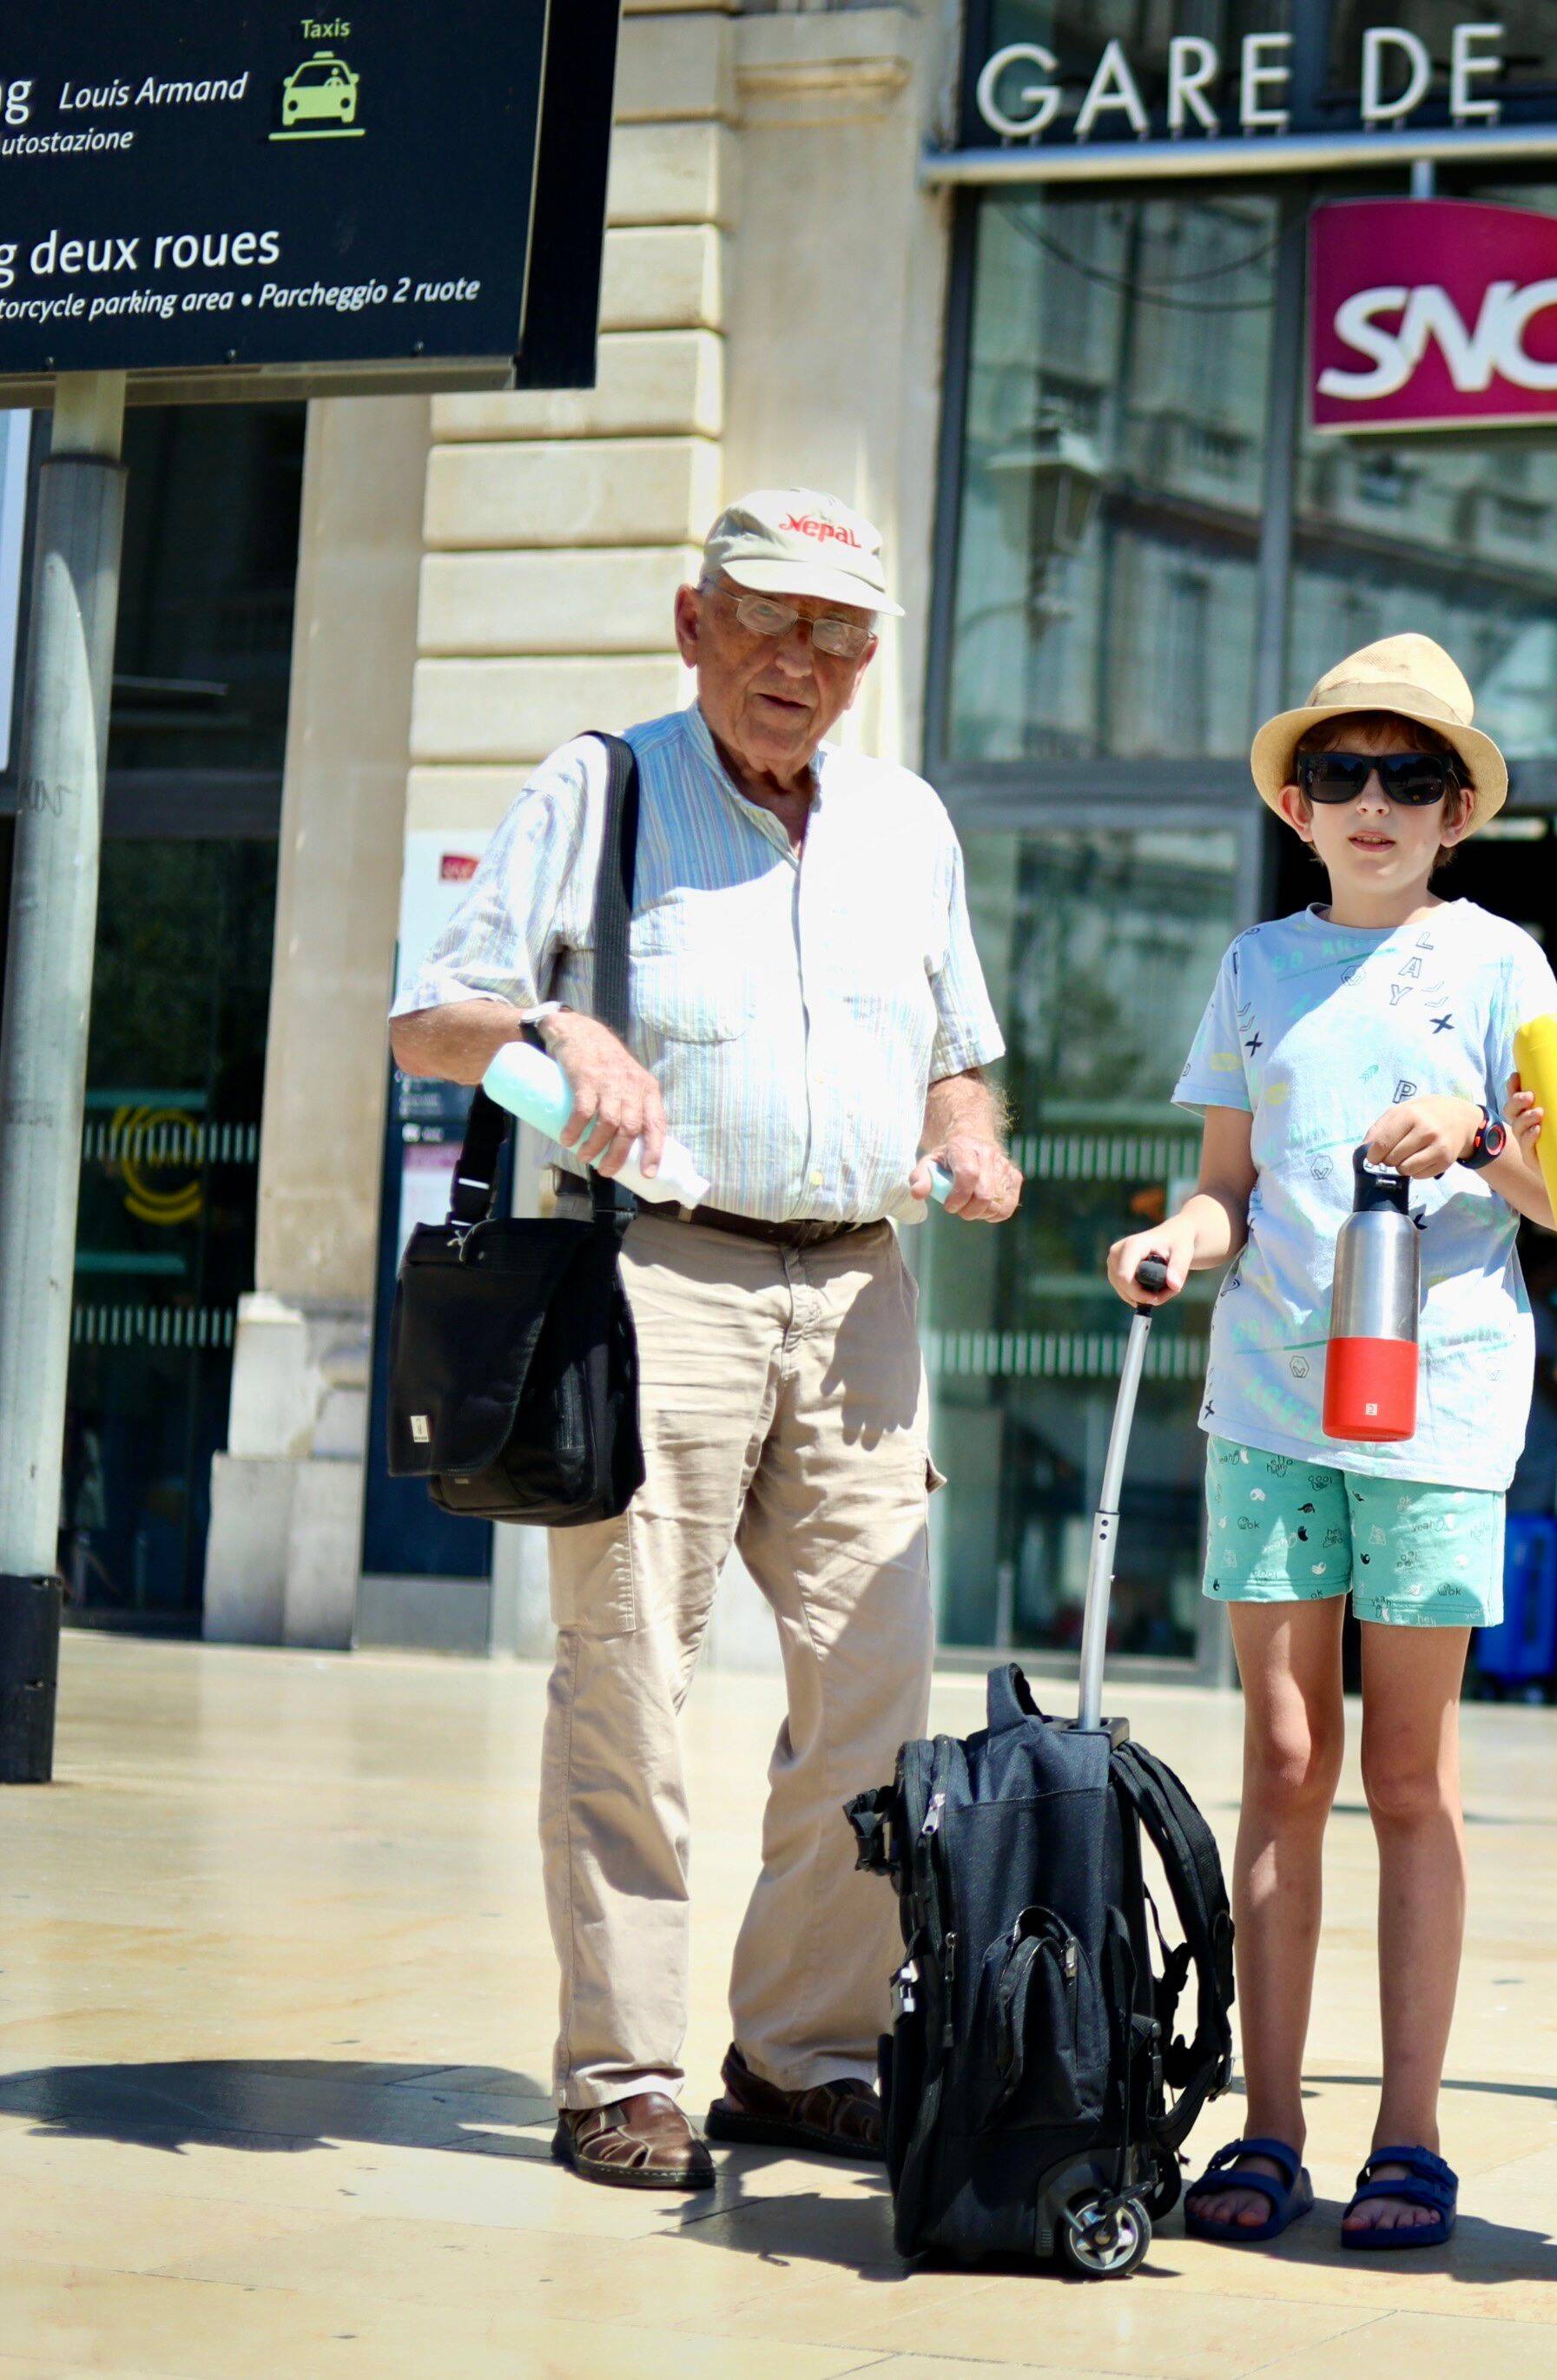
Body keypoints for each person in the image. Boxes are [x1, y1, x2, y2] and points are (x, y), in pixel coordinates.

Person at [388, 490, 1023, 2191]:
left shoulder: (908, 822)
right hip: (650, 1274)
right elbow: (427, 1010)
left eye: (836, 630)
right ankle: (622, 2066)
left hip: (863, 1284)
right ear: (694, 623)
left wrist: (972, 1136)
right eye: (766, 617)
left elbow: (960, 1050)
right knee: (631, 1681)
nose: (798, 658)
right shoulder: (596, 785)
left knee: (878, 1690)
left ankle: (800, 2051)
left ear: (871, 657)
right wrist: (551, 1023)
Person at [1100, 634, 1557, 2249]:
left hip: (1439, 1402)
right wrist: (1172, 1237)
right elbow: (1228, 1185)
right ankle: (1267, 2123)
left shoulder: (1506, 965)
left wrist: (1482, 1137)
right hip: (1272, 1399)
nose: (1376, 804)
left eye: (1411, 777)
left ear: (1455, 814)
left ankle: (1413, 2133)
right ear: (1299, 805)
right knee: (1284, 1765)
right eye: (1346, 776)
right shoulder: (1253, 966)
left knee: (1410, 1772)